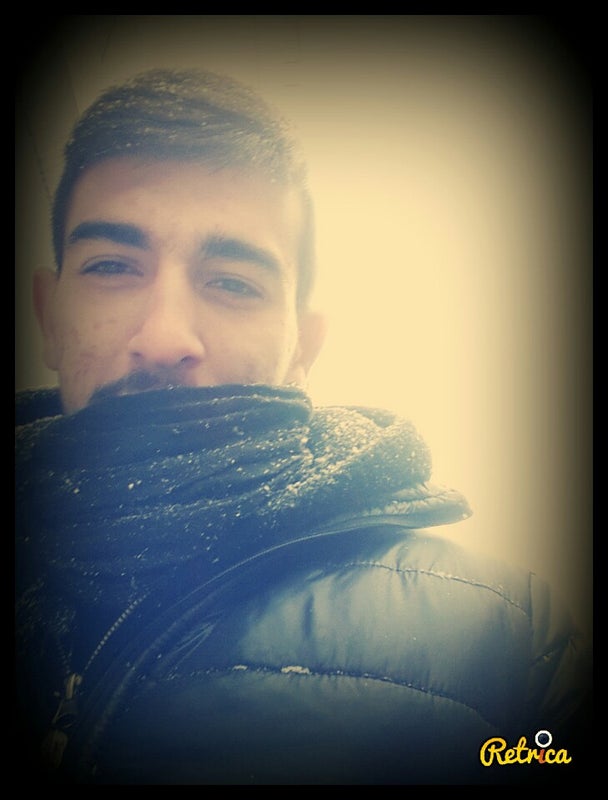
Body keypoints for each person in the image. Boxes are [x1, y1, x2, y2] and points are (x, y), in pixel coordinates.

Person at [15, 67, 590, 785]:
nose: (163, 338)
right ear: (49, 315)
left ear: (303, 350)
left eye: (233, 282)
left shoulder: (506, 641)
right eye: (111, 267)